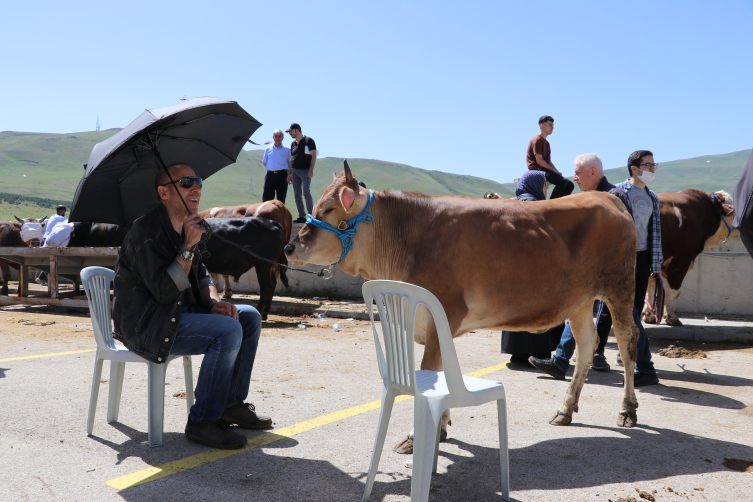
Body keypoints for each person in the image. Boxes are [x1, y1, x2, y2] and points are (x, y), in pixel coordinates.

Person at [112, 164, 271, 450]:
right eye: (186, 182)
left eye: (198, 180)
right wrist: (188, 246)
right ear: (164, 192)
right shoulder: (145, 230)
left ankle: (230, 403)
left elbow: (202, 275)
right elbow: (163, 292)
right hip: (148, 324)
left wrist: (214, 301)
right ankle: (202, 422)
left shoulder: (187, 224)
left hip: (173, 316)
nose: (196, 187)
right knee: (227, 331)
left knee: (248, 317)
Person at [529, 152, 660, 386]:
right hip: (602, 266)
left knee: (626, 315)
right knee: (582, 309)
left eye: (578, 173)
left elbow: (625, 236)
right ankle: (562, 360)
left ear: (592, 172)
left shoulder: (612, 196)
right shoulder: (602, 195)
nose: (574, 178)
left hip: (613, 267)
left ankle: (645, 367)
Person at [501, 170, 562, 364]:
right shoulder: (538, 206)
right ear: (536, 185)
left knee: (516, 309)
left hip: (512, 268)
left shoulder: (509, 204)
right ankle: (539, 353)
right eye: (545, 184)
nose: (546, 188)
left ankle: (517, 353)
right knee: (537, 310)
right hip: (537, 269)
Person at [526, 116, 574, 200]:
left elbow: (549, 162)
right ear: (542, 126)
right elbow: (539, 160)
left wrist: (556, 171)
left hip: (544, 169)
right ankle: (551, 205)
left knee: (570, 185)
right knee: (562, 182)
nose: (552, 127)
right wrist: (554, 171)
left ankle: (560, 206)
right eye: (550, 125)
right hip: (537, 170)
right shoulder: (537, 140)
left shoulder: (547, 143)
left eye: (553, 125)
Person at [286, 123, 317, 223]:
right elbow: (291, 159)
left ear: (297, 130)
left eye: (291, 131)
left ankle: (312, 216)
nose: (289, 133)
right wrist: (289, 174)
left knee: (306, 192)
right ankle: (302, 216)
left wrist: (311, 170)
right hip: (295, 171)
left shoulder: (309, 140)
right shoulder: (293, 144)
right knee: (297, 195)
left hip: (305, 171)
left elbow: (313, 156)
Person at [35, 205, 68, 286]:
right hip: (51, 241)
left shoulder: (52, 217)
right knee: (54, 260)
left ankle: (44, 279)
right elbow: (70, 226)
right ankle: (42, 277)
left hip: (44, 239)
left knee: (49, 261)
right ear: (63, 212)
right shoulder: (63, 219)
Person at [262, 130, 291, 204]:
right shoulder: (268, 149)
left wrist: (289, 175)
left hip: (282, 176)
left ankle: (280, 215)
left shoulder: (287, 149)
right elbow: (265, 162)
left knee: (281, 200)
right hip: (270, 176)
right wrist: (273, 168)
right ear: (273, 137)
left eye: (279, 136)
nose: (277, 138)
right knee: (267, 199)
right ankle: (265, 216)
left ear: (282, 138)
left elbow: (290, 163)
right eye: (276, 136)